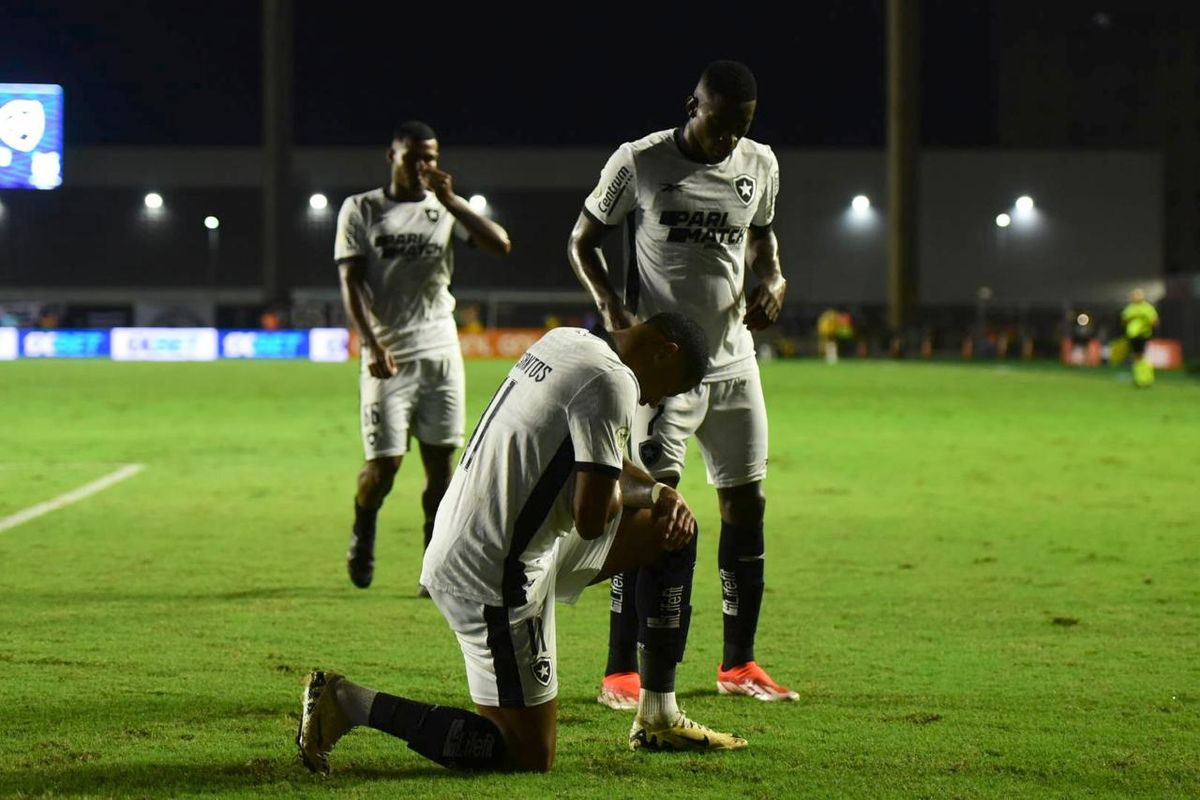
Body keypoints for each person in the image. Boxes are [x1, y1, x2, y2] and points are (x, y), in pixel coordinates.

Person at [296, 314, 747, 776]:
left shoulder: (566, 340)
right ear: (664, 351)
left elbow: (600, 460)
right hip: (496, 575)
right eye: (666, 390)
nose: (655, 401)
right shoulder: (616, 383)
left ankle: (658, 716)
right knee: (526, 755)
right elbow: (593, 517)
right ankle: (348, 702)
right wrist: (611, 486)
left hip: (486, 538)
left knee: (670, 529)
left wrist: (657, 492)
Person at [567, 60, 796, 708]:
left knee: (745, 504)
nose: (727, 141)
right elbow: (583, 241)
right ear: (692, 104)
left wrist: (773, 279)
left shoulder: (759, 164)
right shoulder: (639, 163)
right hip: (665, 370)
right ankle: (620, 669)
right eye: (718, 124)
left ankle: (738, 664)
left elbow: (763, 239)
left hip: (734, 360)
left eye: (739, 129)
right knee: (648, 507)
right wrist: (615, 312)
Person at [335, 121, 512, 591]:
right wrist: (371, 344)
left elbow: (501, 244)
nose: (422, 166)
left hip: (441, 353)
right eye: (412, 157)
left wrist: (454, 201)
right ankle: (363, 530)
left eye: (430, 157)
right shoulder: (362, 209)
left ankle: (433, 568)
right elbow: (350, 284)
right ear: (391, 156)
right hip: (387, 355)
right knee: (384, 468)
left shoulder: (445, 208)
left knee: (441, 469)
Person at [1120, 288, 1160, 388]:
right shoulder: (1130, 308)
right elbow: (1124, 320)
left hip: (1143, 335)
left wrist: (1146, 326)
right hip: (1132, 335)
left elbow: (1155, 321)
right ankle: (1140, 378)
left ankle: (1146, 378)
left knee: (1141, 356)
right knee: (1137, 356)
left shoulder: (1147, 308)